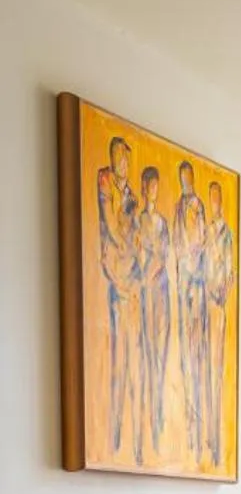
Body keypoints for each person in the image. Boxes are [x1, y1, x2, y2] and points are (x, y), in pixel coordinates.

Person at [95, 136, 139, 460]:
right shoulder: (105, 181)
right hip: (115, 277)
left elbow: (135, 238)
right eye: (115, 157)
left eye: (123, 159)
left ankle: (127, 441)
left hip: (133, 281)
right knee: (117, 358)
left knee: (133, 359)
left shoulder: (132, 196)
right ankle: (113, 436)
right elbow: (111, 225)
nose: (119, 163)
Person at [135, 166, 174, 455]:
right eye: (149, 185)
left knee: (160, 357)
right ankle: (149, 419)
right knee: (147, 357)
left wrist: (153, 270)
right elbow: (139, 254)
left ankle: (158, 415)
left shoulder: (162, 223)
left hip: (160, 294)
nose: (153, 190)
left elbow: (162, 256)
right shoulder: (139, 222)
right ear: (144, 186)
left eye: (156, 186)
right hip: (145, 294)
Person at [172, 161, 209, 459]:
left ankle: (199, 437)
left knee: (198, 360)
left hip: (196, 286)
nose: (185, 182)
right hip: (183, 285)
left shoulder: (198, 207)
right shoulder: (177, 208)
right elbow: (176, 243)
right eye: (182, 178)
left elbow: (201, 246)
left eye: (188, 178)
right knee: (185, 358)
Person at [204, 180, 234, 467]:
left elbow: (230, 273)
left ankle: (213, 439)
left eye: (216, 199)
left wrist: (221, 291)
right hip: (202, 307)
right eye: (210, 198)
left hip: (218, 307)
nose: (214, 204)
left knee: (216, 369)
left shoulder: (226, 235)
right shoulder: (204, 233)